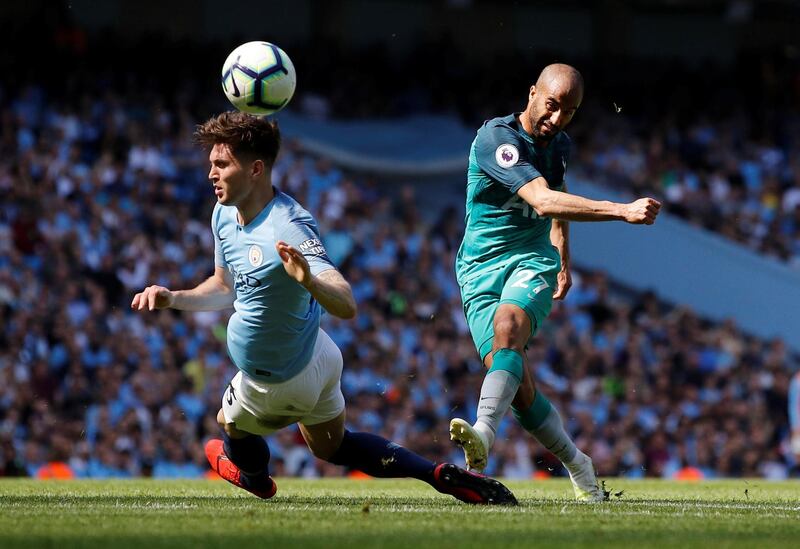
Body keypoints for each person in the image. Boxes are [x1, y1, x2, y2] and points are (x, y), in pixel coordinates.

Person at [131, 111, 516, 505]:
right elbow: (223, 286)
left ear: (257, 169)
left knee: (228, 425)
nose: (211, 174)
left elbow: (346, 302)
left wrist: (310, 281)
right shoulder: (223, 214)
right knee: (334, 447)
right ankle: (437, 475)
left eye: (222, 164)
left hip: (281, 379)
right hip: (318, 352)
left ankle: (257, 480)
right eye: (211, 164)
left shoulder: (289, 225)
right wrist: (175, 298)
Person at [449, 63, 661, 501]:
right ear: (531, 94)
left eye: (569, 111)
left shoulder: (559, 145)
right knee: (519, 388)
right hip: (479, 268)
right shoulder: (497, 139)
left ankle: (484, 435)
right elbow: (544, 200)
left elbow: (555, 204)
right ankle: (579, 464)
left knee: (508, 327)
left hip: (530, 260)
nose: (557, 119)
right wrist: (621, 209)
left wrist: (562, 257)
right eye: (551, 105)